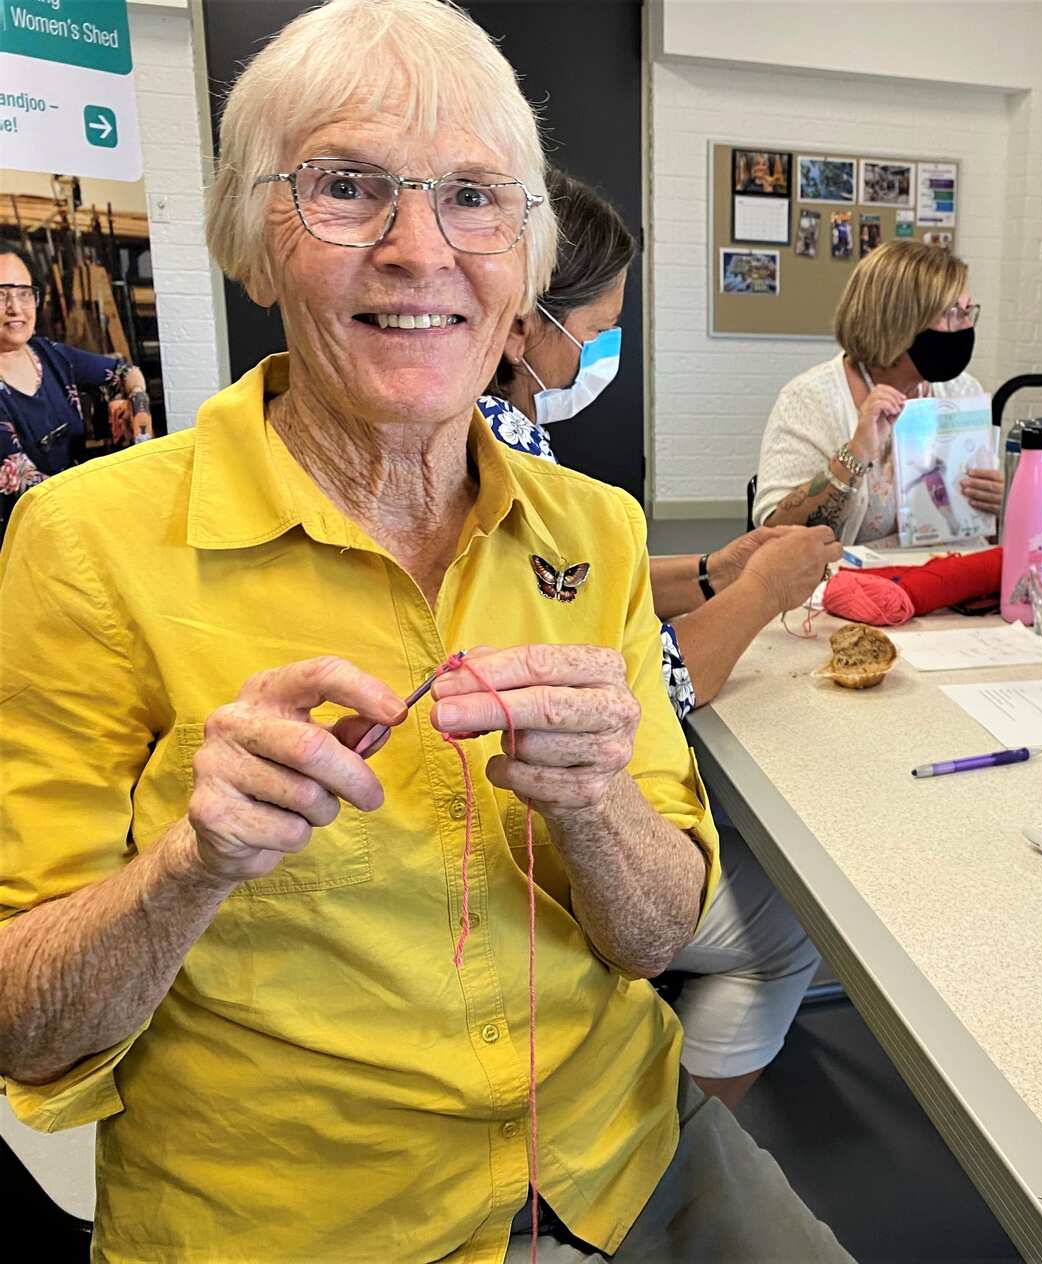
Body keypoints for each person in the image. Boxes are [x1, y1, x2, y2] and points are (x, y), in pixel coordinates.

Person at [0, 3, 852, 1262]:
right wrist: (191, 863)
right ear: (254, 240)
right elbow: (25, 1023)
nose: (419, 250)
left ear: (522, 261)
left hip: (618, 1145)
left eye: (474, 197)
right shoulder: (87, 542)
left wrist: (595, 804)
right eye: (346, 188)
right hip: (305, 1216)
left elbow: (656, 934)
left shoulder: (596, 531)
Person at [483, 168, 837, 1111]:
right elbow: (666, 679)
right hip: (516, 862)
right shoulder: (504, 448)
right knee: (790, 926)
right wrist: (763, 588)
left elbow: (582, 588)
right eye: (593, 333)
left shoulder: (488, 431)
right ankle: (674, 1147)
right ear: (524, 325)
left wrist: (716, 570)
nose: (596, 356)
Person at [753, 239, 1002, 546]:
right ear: (901, 320)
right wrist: (855, 454)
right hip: (851, 583)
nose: (965, 325)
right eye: (951, 312)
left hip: (946, 577)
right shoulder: (810, 399)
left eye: (967, 310)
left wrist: (996, 503)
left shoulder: (961, 391)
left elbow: (984, 530)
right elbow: (774, 534)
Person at [0, 242, 153, 539]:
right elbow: (28, 487)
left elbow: (125, 371)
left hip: (76, 525)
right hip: (23, 545)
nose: (15, 308)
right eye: (1, 294)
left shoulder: (49, 354)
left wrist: (137, 407)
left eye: (24, 293)